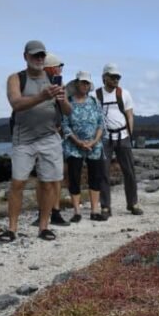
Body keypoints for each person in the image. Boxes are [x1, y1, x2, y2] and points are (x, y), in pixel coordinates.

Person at [0, 40, 71, 242]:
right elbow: (16, 103)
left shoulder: (53, 79)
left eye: (41, 55)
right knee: (18, 183)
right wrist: (41, 96)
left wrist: (62, 99)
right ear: (26, 57)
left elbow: (68, 112)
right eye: (34, 55)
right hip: (24, 139)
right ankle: (12, 229)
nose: (39, 59)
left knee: (48, 184)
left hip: (49, 137)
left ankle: (44, 227)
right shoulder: (16, 78)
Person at [96, 63, 143, 217]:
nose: (116, 79)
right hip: (104, 138)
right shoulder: (96, 95)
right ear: (104, 77)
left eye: (118, 77)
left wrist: (129, 135)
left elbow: (129, 115)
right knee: (103, 172)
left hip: (123, 136)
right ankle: (105, 207)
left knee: (129, 171)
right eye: (113, 76)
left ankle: (133, 203)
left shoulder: (124, 94)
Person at [62, 71, 108, 222]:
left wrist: (94, 141)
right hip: (73, 146)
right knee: (74, 178)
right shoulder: (68, 101)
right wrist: (78, 142)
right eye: (82, 82)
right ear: (76, 84)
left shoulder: (95, 102)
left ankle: (95, 211)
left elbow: (101, 123)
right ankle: (77, 212)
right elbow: (65, 125)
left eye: (87, 83)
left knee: (95, 177)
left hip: (94, 145)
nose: (85, 85)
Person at [32, 52, 69, 227]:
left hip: (52, 135)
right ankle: (46, 212)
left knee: (54, 177)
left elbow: (66, 111)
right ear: (51, 68)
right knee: (44, 177)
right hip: (39, 136)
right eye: (59, 67)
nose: (60, 70)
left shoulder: (59, 87)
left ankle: (53, 212)